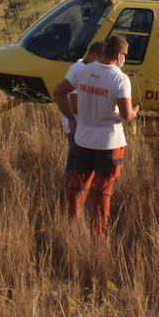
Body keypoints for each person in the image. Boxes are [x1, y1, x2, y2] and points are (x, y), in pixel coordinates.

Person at [61, 34, 140, 236]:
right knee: (103, 190)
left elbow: (60, 91)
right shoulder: (120, 79)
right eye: (124, 55)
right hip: (109, 142)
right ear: (119, 55)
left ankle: (71, 226)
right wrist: (135, 112)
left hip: (83, 139)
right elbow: (125, 114)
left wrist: (71, 116)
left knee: (78, 185)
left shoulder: (83, 71)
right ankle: (99, 234)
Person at [54, 41, 105, 207]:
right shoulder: (82, 70)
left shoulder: (80, 67)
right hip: (77, 128)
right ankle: (67, 203)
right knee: (76, 168)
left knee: (78, 167)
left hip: (80, 127)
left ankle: (70, 203)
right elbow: (75, 104)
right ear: (94, 56)